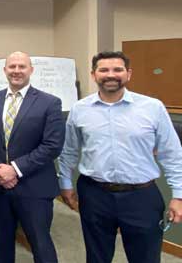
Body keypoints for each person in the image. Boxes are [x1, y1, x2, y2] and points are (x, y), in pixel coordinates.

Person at [58, 51, 182, 263]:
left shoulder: (152, 108)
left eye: (117, 69)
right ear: (93, 74)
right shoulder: (79, 110)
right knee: (97, 256)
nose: (111, 75)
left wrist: (178, 195)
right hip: (94, 194)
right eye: (104, 70)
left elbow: (173, 154)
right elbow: (68, 151)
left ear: (128, 74)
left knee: (146, 257)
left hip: (141, 196)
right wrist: (66, 184)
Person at [0, 51, 64, 263]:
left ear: (31, 70)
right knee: (1, 241)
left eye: (22, 66)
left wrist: (14, 169)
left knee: (40, 244)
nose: (16, 71)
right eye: (12, 66)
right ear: (4, 70)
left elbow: (52, 145)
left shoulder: (50, 103)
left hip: (34, 187)